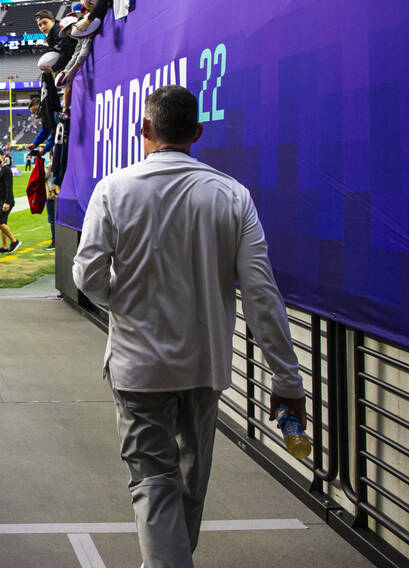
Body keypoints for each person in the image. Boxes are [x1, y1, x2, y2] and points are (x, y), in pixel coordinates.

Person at [72, 86, 307, 568]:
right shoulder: (232, 195)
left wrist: (123, 303)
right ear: (197, 132)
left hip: (139, 369)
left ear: (144, 129)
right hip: (205, 367)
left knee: (156, 485)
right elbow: (261, 294)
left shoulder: (114, 190)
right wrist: (285, 378)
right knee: (189, 484)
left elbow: (87, 276)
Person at [0, 149, 20, 254]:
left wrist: (7, 202)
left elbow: (9, 187)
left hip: (5, 201)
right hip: (0, 201)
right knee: (2, 223)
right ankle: (4, 247)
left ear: (3, 157)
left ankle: (14, 241)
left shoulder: (6, 169)